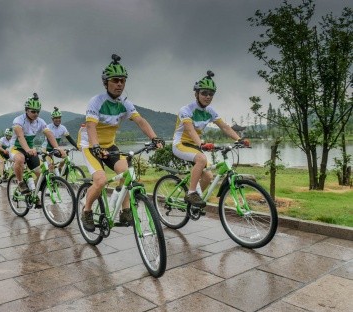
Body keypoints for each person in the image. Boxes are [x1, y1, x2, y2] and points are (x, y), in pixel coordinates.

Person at [79, 54, 164, 232]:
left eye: (123, 81)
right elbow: (91, 126)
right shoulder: (96, 102)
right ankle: (86, 210)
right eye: (115, 80)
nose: (119, 84)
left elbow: (140, 121)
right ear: (106, 83)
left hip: (109, 145)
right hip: (89, 144)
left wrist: (154, 138)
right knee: (101, 181)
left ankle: (125, 211)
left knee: (126, 174)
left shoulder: (125, 103)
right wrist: (95, 147)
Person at [172, 70, 248, 208]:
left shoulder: (210, 111)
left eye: (211, 94)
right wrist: (201, 143)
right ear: (196, 94)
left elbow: (224, 127)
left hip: (195, 146)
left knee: (208, 177)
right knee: (202, 159)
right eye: (204, 93)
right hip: (181, 144)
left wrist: (239, 140)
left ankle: (194, 203)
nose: (208, 96)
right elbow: (189, 129)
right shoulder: (186, 110)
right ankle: (191, 193)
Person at [10, 93, 66, 198]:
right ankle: (20, 182)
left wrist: (57, 148)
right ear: (26, 110)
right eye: (33, 111)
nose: (36, 114)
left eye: (38, 112)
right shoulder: (18, 121)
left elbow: (49, 134)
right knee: (20, 158)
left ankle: (33, 193)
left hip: (30, 150)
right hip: (16, 148)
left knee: (42, 174)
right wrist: (27, 149)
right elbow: (20, 137)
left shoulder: (40, 122)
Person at [41, 107, 78, 175]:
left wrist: (76, 146)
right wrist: (57, 148)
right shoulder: (48, 127)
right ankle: (51, 180)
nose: (58, 119)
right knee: (51, 166)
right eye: (56, 118)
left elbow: (69, 138)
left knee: (66, 157)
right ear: (52, 119)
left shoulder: (63, 128)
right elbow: (49, 140)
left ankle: (59, 168)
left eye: (59, 118)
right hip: (46, 149)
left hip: (56, 148)